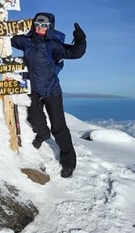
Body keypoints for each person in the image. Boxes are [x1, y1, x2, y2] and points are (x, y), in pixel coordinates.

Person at [10, 12, 87, 178]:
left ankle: (68, 162)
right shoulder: (27, 42)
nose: (40, 28)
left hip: (52, 91)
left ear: (50, 26)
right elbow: (7, 37)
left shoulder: (53, 45)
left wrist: (80, 40)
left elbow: (75, 53)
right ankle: (43, 134)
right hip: (33, 90)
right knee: (34, 119)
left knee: (59, 128)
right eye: (38, 25)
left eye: (44, 25)